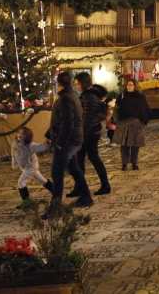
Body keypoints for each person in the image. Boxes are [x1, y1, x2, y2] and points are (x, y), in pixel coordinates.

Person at [44, 71, 93, 219]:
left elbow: (67, 123)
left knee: (57, 172)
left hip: (68, 141)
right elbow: (60, 121)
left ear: (59, 84)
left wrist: (59, 143)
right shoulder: (71, 96)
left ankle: (56, 207)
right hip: (73, 139)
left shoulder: (66, 99)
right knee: (73, 168)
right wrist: (49, 134)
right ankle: (85, 196)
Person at [69, 73, 111, 196]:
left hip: (89, 133)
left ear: (83, 83)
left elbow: (88, 118)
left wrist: (81, 134)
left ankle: (105, 185)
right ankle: (80, 187)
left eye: (77, 83)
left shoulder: (89, 97)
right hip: (89, 132)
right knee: (81, 159)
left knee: (92, 158)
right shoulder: (88, 96)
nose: (76, 86)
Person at [114, 78, 151, 170]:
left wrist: (144, 121)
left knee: (135, 144)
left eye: (131, 85)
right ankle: (124, 163)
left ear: (135, 86)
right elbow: (116, 108)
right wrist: (116, 120)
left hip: (136, 123)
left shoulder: (140, 96)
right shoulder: (121, 96)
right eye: (128, 85)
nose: (129, 87)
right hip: (124, 123)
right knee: (124, 144)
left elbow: (145, 108)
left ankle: (134, 163)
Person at [12, 128, 53, 206]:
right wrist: (14, 163)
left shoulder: (31, 145)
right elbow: (14, 153)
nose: (19, 135)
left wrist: (47, 143)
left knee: (21, 182)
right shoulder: (16, 143)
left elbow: (41, 147)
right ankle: (55, 191)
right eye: (19, 133)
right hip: (25, 167)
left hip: (31, 168)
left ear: (27, 136)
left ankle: (26, 202)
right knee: (42, 180)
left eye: (22, 134)